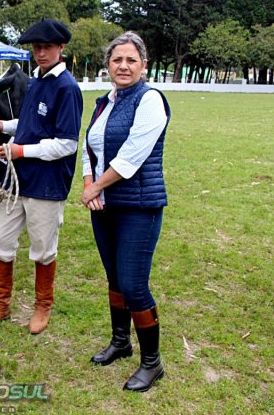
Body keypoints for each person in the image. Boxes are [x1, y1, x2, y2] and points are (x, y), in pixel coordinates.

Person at [0, 18, 83, 334]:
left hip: (47, 184)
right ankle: (1, 305)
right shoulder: (37, 80)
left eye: (47, 47)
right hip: (17, 181)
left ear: (61, 48)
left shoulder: (67, 88)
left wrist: (20, 151)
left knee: (43, 248)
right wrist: (4, 125)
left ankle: (42, 306)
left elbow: (67, 144)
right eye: (36, 47)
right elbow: (29, 123)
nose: (40, 53)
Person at [80, 31, 171, 392]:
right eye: (117, 59)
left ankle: (152, 362)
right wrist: (89, 181)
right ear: (107, 65)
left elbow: (132, 155)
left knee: (133, 285)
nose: (123, 65)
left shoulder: (150, 100)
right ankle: (121, 342)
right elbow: (90, 147)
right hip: (104, 205)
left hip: (139, 207)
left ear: (143, 66)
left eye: (131, 60)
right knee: (115, 279)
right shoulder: (105, 102)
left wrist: (95, 187)